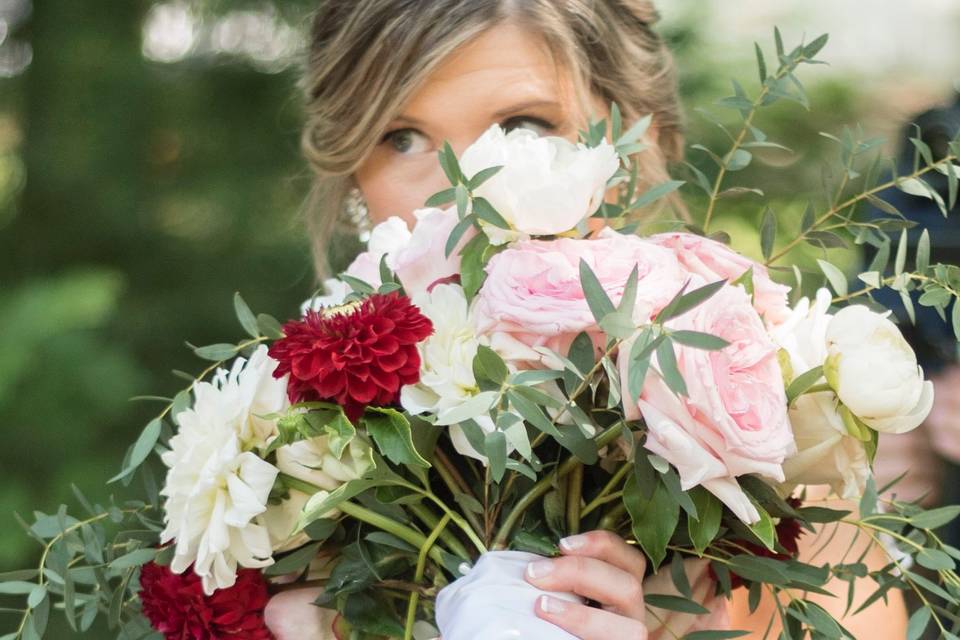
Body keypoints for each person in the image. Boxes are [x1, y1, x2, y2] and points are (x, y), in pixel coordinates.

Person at [270, 1, 909, 638]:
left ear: (635, 139)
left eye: (523, 127)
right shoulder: (286, 465)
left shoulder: (762, 441)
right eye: (401, 137)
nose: (466, 195)